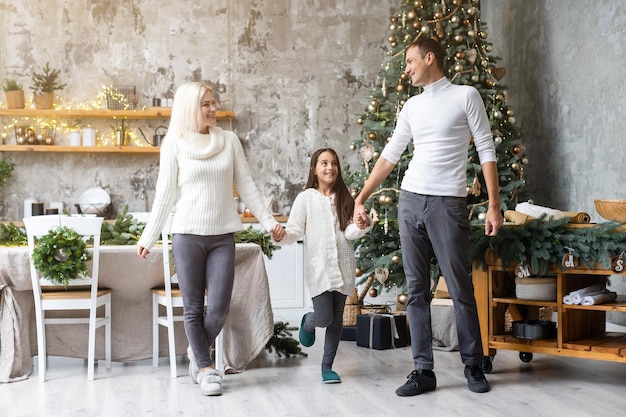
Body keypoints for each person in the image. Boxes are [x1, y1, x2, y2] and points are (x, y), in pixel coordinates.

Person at [353, 37, 504, 396]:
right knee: (416, 290)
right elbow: (390, 155)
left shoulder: (465, 96)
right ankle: (423, 370)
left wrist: (494, 204)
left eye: (410, 61)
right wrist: (362, 196)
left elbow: (486, 149)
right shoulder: (411, 107)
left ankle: (473, 364)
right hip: (410, 200)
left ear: (429, 58)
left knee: (458, 286)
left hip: (448, 203)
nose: (406, 69)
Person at [136, 81, 285, 396]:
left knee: (218, 307)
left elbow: (246, 185)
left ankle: (196, 350)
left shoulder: (228, 141)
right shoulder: (174, 144)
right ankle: (206, 369)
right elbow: (164, 196)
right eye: (206, 103)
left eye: (214, 102)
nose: (213, 108)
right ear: (191, 107)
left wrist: (269, 221)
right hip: (187, 235)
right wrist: (148, 237)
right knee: (192, 307)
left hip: (222, 236)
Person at [275, 148, 372, 384]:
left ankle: (327, 366)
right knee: (324, 316)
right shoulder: (306, 198)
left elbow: (349, 231)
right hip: (319, 267)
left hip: (344, 266)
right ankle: (308, 320)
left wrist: (362, 224)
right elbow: (296, 230)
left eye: (334, 163)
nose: (330, 168)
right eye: (324, 163)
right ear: (314, 169)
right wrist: (282, 235)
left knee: (337, 318)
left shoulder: (345, 197)